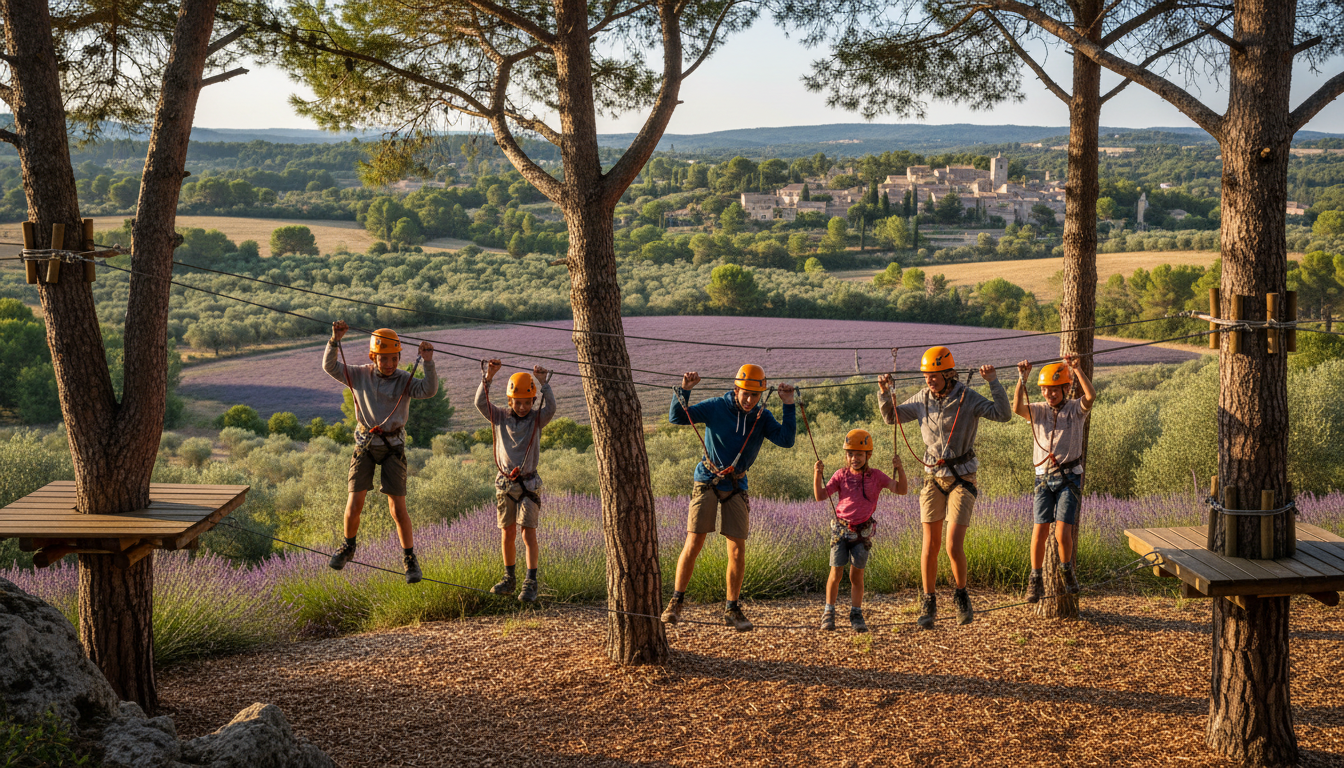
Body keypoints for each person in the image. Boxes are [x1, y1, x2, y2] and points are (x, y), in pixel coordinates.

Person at [879, 346, 1010, 629]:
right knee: (930, 546)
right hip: (932, 478)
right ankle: (929, 602)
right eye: (927, 375)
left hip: (963, 478)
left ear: (949, 373)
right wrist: (884, 393)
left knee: (952, 545)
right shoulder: (921, 399)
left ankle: (961, 596)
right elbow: (892, 417)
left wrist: (993, 382)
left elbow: (1003, 414)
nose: (930, 380)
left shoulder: (967, 397)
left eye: (935, 375)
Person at [661, 364, 796, 632]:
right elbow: (677, 417)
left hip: (736, 484)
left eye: (755, 396)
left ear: (761, 396)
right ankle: (676, 602)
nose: (749, 400)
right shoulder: (716, 406)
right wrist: (685, 391)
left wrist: (789, 404)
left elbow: (786, 440)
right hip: (708, 480)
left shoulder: (762, 416)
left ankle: (732, 609)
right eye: (745, 393)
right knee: (695, 540)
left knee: (737, 548)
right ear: (736, 389)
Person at [323, 322, 437, 583]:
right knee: (355, 502)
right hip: (364, 446)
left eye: (394, 359)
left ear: (399, 358)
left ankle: (410, 560)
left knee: (398, 508)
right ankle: (348, 546)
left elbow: (428, 390)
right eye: (383, 359)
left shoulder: (405, 380)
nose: (389, 364)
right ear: (373, 357)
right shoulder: (360, 374)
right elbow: (330, 367)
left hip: (393, 448)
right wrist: (334, 340)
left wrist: (428, 362)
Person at [1013, 355, 1095, 603]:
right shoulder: (1037, 410)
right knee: (1039, 529)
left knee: (1062, 531)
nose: (1050, 394)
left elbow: (1090, 397)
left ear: (1065, 388)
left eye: (1054, 390)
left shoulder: (1075, 410)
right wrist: (1021, 380)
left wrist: (1077, 369)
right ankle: (1035, 578)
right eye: (1046, 390)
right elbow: (1017, 408)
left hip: (1069, 477)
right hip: (1043, 478)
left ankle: (1066, 570)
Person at [476, 359, 556, 603]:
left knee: (527, 534)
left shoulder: (536, 419)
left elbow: (550, 408)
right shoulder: (499, 417)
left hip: (529, 485)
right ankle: (509, 577)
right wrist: (488, 377)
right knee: (507, 533)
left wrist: (544, 384)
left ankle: (531, 581)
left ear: (533, 402)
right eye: (517, 402)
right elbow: (480, 402)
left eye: (526, 402)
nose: (522, 407)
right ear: (509, 401)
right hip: (505, 485)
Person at [813, 429, 907, 633]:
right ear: (846, 455)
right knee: (835, 573)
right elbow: (821, 495)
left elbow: (901, 490)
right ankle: (829, 612)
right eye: (850, 454)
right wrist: (817, 474)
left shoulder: (877, 477)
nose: (854, 458)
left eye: (859, 454)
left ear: (868, 456)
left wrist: (899, 469)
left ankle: (856, 613)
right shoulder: (841, 475)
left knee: (857, 576)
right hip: (841, 530)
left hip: (862, 533)